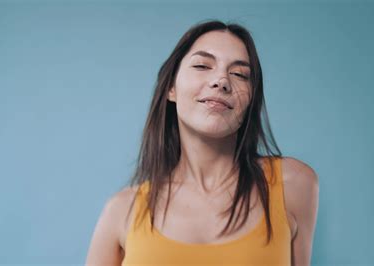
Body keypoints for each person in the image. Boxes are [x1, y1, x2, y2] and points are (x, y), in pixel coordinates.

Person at [85, 19, 319, 266]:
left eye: (239, 74)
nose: (221, 80)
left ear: (252, 100)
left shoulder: (293, 184)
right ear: (171, 88)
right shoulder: (122, 210)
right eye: (202, 65)